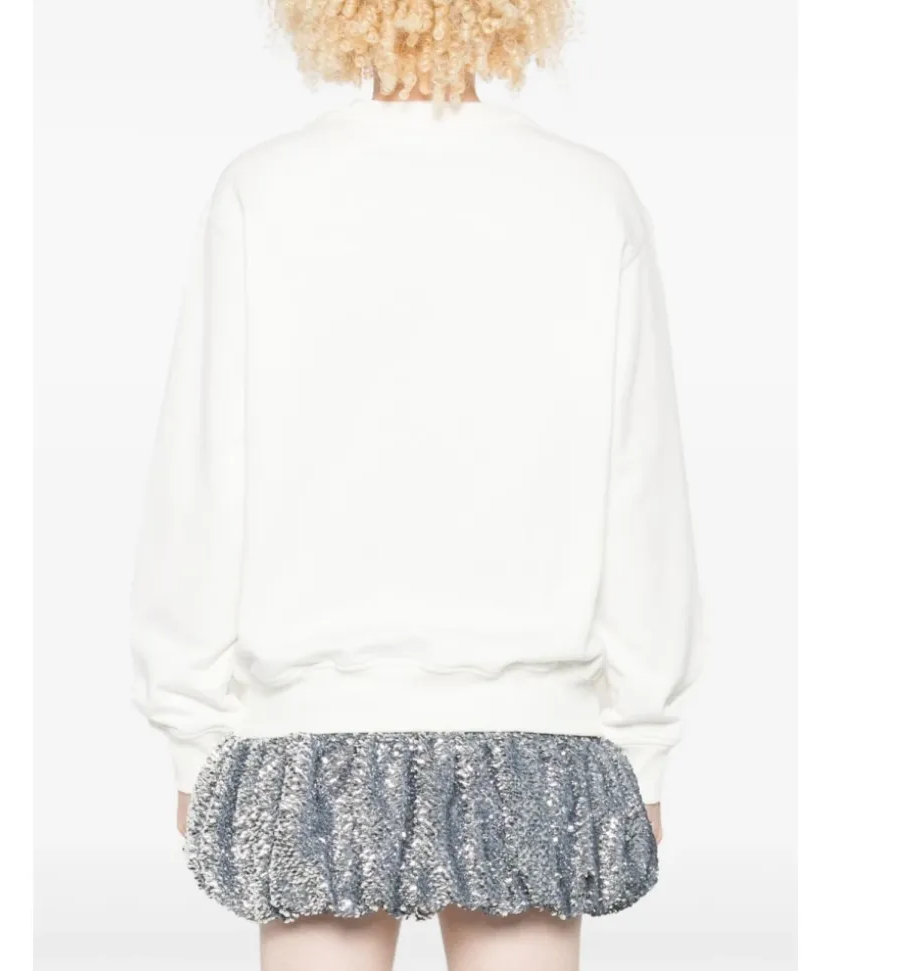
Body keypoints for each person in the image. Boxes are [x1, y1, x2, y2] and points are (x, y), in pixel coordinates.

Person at [130, 4, 701, 969]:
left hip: (314, 729)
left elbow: (203, 472)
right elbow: (640, 484)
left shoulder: (265, 188)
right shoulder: (589, 192)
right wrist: (643, 735)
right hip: (533, 730)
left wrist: (191, 724)